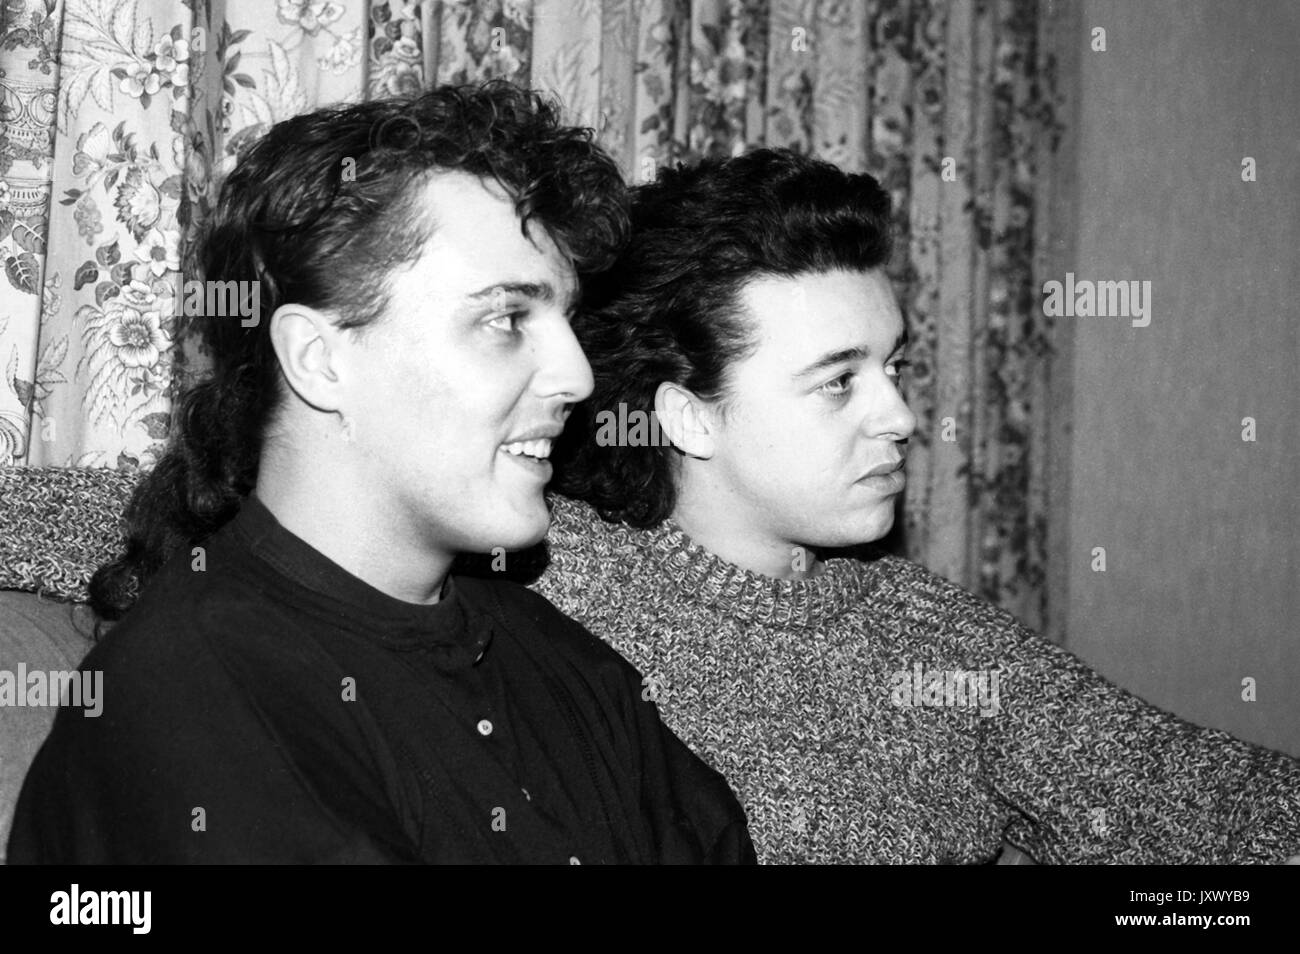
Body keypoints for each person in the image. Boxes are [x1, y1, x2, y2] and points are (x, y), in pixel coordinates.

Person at [5, 83, 755, 865]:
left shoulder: (565, 665)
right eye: (505, 319)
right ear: (320, 360)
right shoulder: (189, 698)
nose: (574, 374)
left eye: (563, 319)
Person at [533, 147, 1300, 864]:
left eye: (893, 366)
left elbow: (1198, 797)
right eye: (839, 381)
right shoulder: (543, 585)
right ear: (688, 415)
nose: (900, 416)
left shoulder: (937, 643)